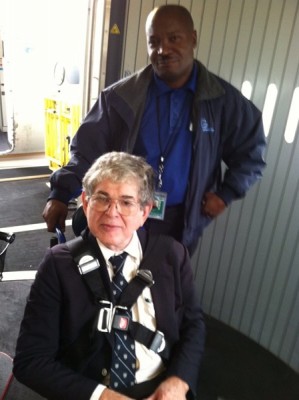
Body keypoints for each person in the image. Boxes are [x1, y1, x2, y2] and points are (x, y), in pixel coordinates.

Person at [42, 4, 266, 255]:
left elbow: (251, 154)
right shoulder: (120, 97)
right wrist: (60, 194)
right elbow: (86, 151)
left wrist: (226, 194)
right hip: (121, 215)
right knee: (111, 284)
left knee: (162, 287)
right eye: (154, 41)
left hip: (180, 222)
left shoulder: (222, 101)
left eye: (173, 39)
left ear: (193, 39)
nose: (163, 50)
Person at [14, 152, 206, 400]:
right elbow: (30, 360)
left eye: (126, 202)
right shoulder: (58, 265)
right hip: (89, 391)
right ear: (85, 202)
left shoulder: (171, 254)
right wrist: (101, 396)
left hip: (161, 387)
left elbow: (193, 325)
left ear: (145, 212)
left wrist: (179, 382)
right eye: (102, 199)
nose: (112, 212)